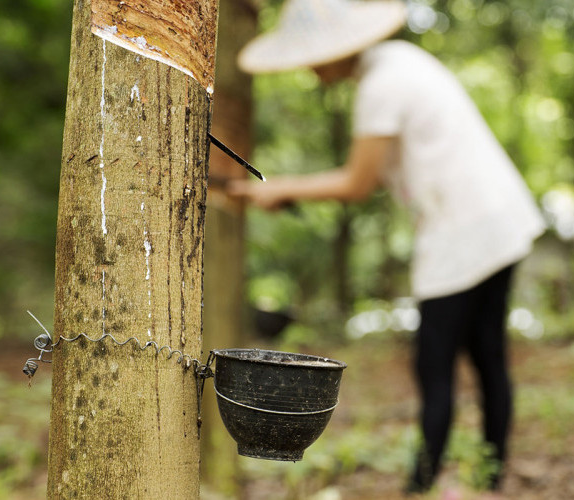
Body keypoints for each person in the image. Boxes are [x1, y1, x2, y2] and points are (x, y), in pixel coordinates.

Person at [229, 0, 545, 496]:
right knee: (486, 355)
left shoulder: (381, 84)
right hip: (498, 219)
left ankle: (419, 487)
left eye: (314, 57)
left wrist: (280, 187)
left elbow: (358, 182)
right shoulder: (401, 63)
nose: (311, 69)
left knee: (435, 364)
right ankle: (490, 478)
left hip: (463, 231)